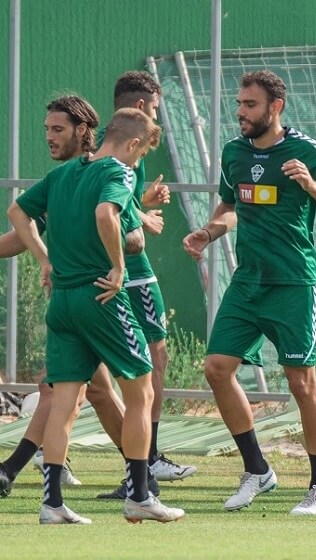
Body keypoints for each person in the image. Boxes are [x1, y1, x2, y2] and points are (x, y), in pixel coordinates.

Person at [182, 70, 316, 516]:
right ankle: (257, 469)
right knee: (218, 367)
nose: (240, 112)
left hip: (294, 282)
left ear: (275, 107)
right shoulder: (234, 153)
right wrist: (207, 232)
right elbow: (230, 208)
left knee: (301, 383)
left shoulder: (304, 151)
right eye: (239, 103)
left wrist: (312, 186)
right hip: (248, 282)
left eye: (249, 105)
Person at [7, 107, 185, 524]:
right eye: (140, 157)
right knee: (141, 391)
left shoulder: (65, 174)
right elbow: (106, 215)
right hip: (101, 297)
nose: (137, 166)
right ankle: (140, 495)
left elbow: (17, 212)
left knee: (64, 401)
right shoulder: (119, 172)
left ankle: (51, 505)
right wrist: (119, 268)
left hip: (62, 303)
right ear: (135, 144)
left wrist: (44, 260)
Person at [0, 95, 141, 498]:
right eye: (46, 129)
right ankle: (139, 480)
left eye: (56, 129)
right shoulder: (66, 178)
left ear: (83, 131)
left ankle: (140, 474)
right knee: (80, 391)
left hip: (111, 295)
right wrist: (47, 259)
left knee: (102, 389)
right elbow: (20, 228)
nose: (48, 136)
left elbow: (132, 235)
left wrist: (127, 236)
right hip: (79, 297)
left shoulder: (108, 170)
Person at [95, 71, 196, 500]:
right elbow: (116, 222)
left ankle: (49, 462)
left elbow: (117, 206)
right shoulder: (124, 151)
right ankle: (146, 461)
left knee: (80, 377)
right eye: (154, 109)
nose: (157, 117)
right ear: (140, 109)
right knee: (148, 363)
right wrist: (141, 224)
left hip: (100, 275)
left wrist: (142, 207)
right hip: (129, 276)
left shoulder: (104, 149)